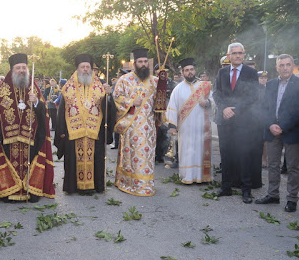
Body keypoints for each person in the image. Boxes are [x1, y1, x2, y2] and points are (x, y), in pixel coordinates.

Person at [0, 53, 55, 202]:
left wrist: (36, 102)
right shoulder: (3, 89)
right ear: (12, 70)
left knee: (30, 160)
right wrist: (1, 130)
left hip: (31, 136)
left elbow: (44, 110)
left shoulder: (33, 88)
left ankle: (30, 190)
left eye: (24, 67)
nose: (22, 70)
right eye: (18, 68)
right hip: (9, 139)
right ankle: (11, 191)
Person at [256, 54, 299, 212]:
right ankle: (272, 194)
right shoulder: (271, 84)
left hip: (292, 131)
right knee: (273, 164)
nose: (285, 68)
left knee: (293, 167)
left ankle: (292, 199)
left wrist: (283, 126)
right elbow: (265, 107)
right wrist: (271, 124)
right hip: (272, 130)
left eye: (288, 65)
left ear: (293, 66)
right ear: (277, 67)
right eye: (282, 65)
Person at [54, 54, 114, 194]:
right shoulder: (68, 86)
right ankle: (72, 187)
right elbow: (62, 109)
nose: (86, 69)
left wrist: (108, 96)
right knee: (73, 160)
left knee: (96, 158)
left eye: (88, 67)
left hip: (94, 131)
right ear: (78, 68)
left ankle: (95, 186)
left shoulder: (100, 85)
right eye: (83, 67)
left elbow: (107, 108)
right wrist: (61, 130)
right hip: (73, 131)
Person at [213, 42, 259, 203]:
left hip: (243, 121)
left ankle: (246, 190)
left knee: (244, 154)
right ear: (228, 56)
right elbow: (216, 93)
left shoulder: (251, 73)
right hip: (224, 119)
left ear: (244, 55)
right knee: (225, 153)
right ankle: (226, 187)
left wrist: (235, 109)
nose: (238, 56)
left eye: (240, 53)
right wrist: (224, 108)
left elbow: (253, 96)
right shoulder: (222, 72)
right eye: (234, 53)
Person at [113, 48, 159, 196]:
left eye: (145, 61)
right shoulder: (124, 80)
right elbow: (116, 98)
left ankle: (146, 183)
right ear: (134, 64)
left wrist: (164, 82)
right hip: (131, 126)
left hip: (149, 127)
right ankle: (128, 182)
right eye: (140, 62)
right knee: (131, 156)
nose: (143, 64)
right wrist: (132, 101)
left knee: (147, 156)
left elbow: (160, 103)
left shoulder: (155, 81)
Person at [165, 58, 213, 184]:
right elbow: (172, 107)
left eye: (191, 69)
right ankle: (187, 176)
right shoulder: (178, 89)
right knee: (187, 152)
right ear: (182, 73)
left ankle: (202, 177)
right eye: (186, 70)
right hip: (185, 128)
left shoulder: (204, 86)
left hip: (201, 126)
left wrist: (208, 102)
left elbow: (214, 102)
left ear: (195, 70)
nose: (190, 72)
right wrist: (172, 125)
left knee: (200, 151)